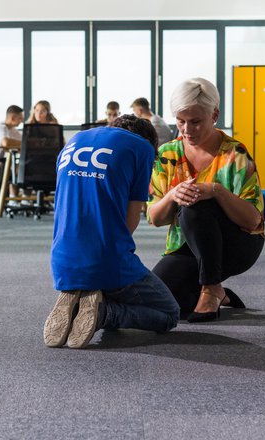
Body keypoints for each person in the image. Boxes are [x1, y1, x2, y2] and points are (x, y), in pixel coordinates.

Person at [44, 115, 180, 349]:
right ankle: (104, 313)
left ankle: (83, 292)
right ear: (150, 141)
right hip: (106, 259)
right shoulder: (142, 148)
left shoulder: (74, 140)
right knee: (169, 313)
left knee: (103, 273)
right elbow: (130, 221)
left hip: (61, 260)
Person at [147, 78, 265, 323]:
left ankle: (211, 288)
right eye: (181, 121)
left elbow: (253, 220)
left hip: (237, 244)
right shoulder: (167, 154)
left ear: (214, 115)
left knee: (197, 203)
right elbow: (155, 218)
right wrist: (171, 195)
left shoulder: (235, 153)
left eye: (196, 122)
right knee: (159, 301)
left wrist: (216, 191)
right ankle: (220, 294)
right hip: (188, 245)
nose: (187, 130)